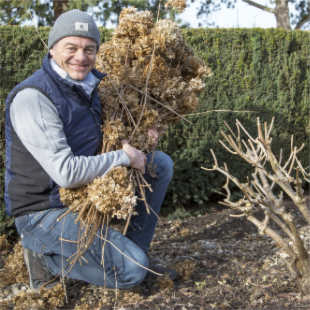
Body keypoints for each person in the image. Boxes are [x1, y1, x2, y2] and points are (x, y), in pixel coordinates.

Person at [5, 9, 177, 291]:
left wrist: (141, 141)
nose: (81, 57)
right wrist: (124, 157)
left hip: (79, 197)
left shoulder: (88, 86)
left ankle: (136, 254)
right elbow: (66, 173)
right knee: (131, 273)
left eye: (89, 49)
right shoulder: (34, 97)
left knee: (158, 163)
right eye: (70, 48)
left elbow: (99, 142)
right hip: (43, 210)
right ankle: (43, 260)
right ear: (52, 48)